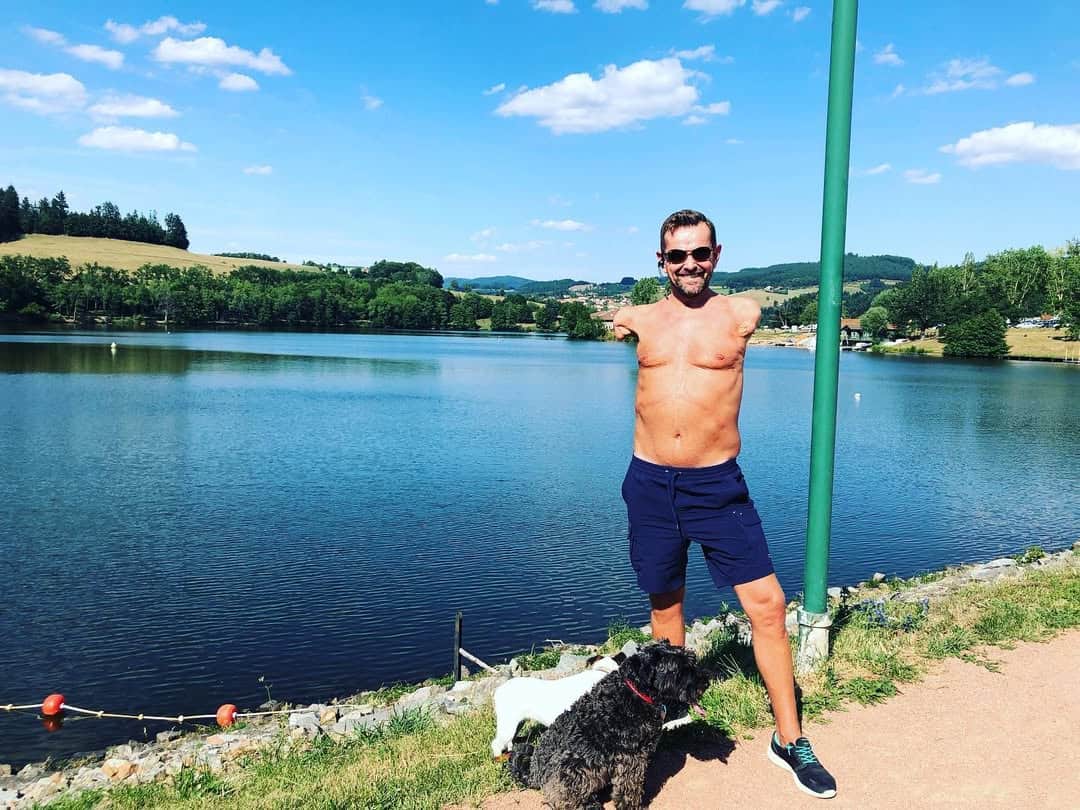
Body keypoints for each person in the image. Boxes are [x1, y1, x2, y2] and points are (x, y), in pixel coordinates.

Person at [613, 209, 837, 800]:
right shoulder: (637, 318)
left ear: (716, 255)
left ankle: (790, 739)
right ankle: (668, 719)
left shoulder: (742, 314)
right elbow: (616, 326)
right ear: (660, 261)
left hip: (716, 486)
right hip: (649, 482)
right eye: (677, 255)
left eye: (700, 253)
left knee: (768, 605)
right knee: (666, 606)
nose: (689, 264)